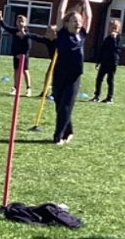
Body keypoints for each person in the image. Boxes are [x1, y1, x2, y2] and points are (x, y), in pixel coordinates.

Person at [34, 10, 88, 145]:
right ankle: (68, 131)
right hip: (59, 75)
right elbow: (60, 12)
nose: (78, 23)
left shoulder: (82, 34)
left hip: (74, 77)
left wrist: (86, 0)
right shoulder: (62, 33)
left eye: (79, 21)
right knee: (59, 105)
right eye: (74, 21)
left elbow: (89, 16)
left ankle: (58, 136)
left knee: (65, 106)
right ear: (67, 23)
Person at [0, 13, 37, 96]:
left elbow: (28, 46)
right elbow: (6, 27)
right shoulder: (15, 31)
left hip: (24, 55)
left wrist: (24, 55)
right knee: (16, 70)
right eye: (18, 21)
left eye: (22, 21)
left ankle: (28, 88)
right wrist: (1, 19)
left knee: (25, 71)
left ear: (25, 23)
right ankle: (15, 88)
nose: (20, 23)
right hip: (16, 54)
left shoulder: (27, 33)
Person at [91, 17, 122, 103]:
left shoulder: (119, 38)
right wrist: (98, 61)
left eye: (115, 28)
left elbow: (116, 48)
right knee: (99, 79)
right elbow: (102, 50)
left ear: (118, 29)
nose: (113, 30)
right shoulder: (107, 38)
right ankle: (97, 96)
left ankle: (109, 97)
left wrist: (114, 39)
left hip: (112, 62)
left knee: (110, 80)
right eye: (112, 28)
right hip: (104, 61)